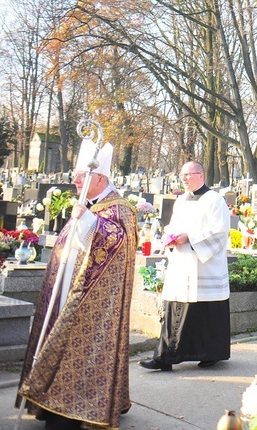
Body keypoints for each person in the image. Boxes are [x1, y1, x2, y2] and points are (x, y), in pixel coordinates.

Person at [17, 140, 138, 429]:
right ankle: (49, 399)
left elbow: (118, 244)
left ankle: (76, 406)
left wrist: (88, 221)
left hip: (91, 301)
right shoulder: (88, 203)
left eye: (81, 175)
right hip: (65, 293)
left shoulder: (120, 209)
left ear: (100, 178)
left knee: (80, 349)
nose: (75, 180)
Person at [140, 161, 231, 371]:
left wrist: (189, 238)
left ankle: (210, 354)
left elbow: (219, 232)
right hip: (182, 263)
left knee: (205, 313)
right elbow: (173, 226)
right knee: (175, 309)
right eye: (182, 175)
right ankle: (166, 357)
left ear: (200, 175)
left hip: (204, 266)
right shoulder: (181, 200)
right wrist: (169, 238)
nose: (183, 178)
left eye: (188, 174)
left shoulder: (215, 200)